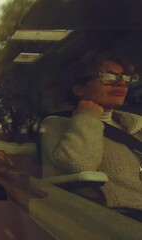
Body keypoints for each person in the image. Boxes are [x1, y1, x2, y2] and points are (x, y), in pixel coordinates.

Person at [40, 50, 142, 214]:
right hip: (119, 217)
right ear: (79, 89)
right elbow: (78, 165)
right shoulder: (57, 124)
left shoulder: (136, 127)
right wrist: (87, 117)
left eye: (124, 78)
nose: (121, 83)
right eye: (108, 76)